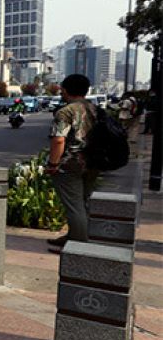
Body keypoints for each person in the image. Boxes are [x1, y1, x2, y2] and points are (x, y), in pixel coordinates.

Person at [46, 74, 98, 253]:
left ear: (65, 90)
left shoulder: (66, 112)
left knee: (74, 205)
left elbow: (59, 140)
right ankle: (74, 236)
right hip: (93, 161)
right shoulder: (93, 108)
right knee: (83, 201)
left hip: (71, 163)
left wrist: (53, 164)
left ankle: (77, 248)